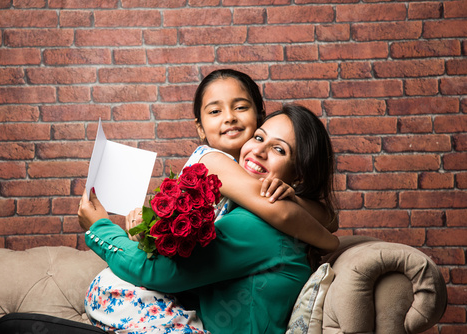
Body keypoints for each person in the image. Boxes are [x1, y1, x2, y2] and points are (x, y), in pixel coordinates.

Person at [78, 104, 337, 333]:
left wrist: (99, 228)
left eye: (278, 149)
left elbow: (160, 273)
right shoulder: (271, 216)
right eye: (259, 137)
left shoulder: (260, 225)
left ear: (299, 176)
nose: (258, 151)